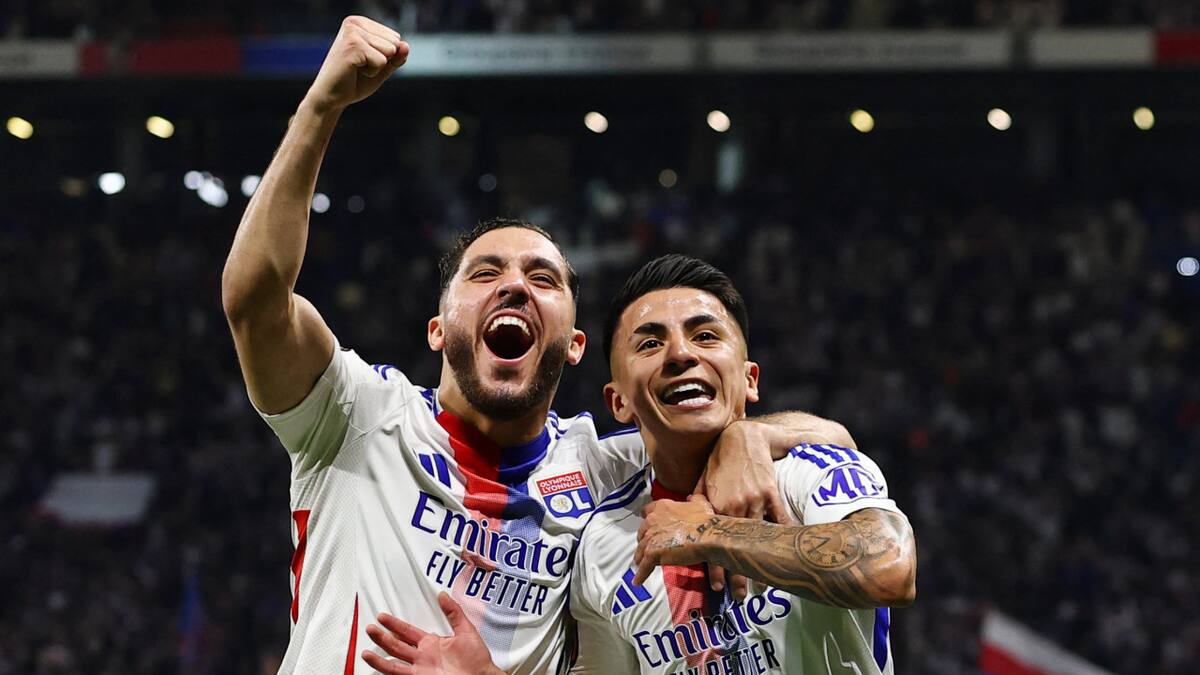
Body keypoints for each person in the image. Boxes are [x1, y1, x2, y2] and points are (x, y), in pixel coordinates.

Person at [221, 17, 856, 674]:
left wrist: (745, 435)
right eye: (486, 273)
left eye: (543, 278)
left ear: (575, 344)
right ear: (437, 329)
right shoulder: (356, 415)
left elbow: (832, 437)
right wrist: (320, 105)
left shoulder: (600, 472)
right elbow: (255, 300)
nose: (516, 286)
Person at [364, 255, 915, 674]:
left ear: (749, 379)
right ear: (619, 402)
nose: (681, 354)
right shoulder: (604, 540)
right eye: (650, 344)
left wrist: (708, 533)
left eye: (705, 335)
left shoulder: (810, 469)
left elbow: (888, 568)